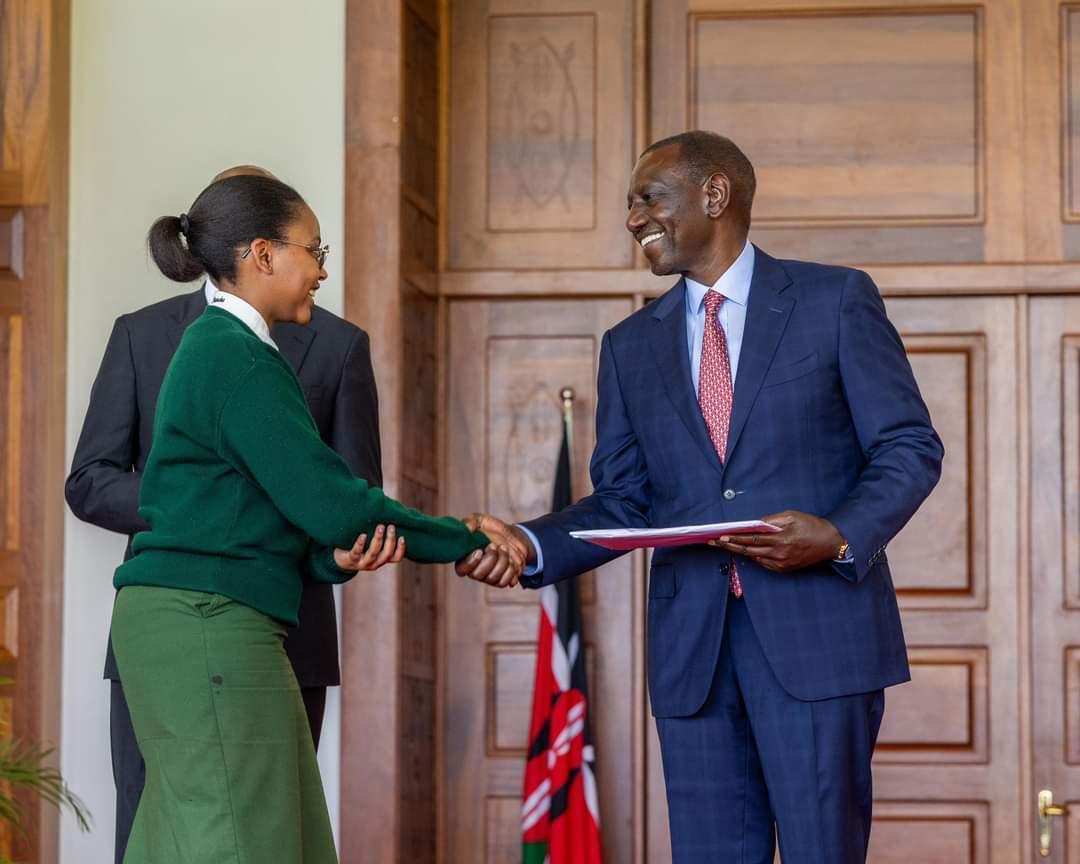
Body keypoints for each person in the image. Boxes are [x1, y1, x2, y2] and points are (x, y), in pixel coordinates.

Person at [462, 131, 943, 863]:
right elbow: (623, 501)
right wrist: (528, 543)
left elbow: (909, 447)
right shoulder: (629, 346)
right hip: (693, 658)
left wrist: (839, 535)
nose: (631, 219)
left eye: (646, 199)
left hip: (820, 641)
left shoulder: (834, 300)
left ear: (714, 195)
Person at [108, 173, 520, 864]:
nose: (322, 270)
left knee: (207, 839)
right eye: (313, 249)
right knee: (248, 845)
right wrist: (466, 537)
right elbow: (335, 502)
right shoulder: (233, 356)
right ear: (263, 255)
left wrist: (334, 559)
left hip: (189, 621)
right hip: (207, 625)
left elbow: (269, 516)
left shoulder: (225, 348)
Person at [65, 165, 390, 864]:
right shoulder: (140, 336)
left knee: (277, 842)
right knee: (150, 837)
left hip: (288, 637)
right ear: (252, 246)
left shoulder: (338, 347)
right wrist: (198, 505)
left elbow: (355, 492)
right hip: (164, 644)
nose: (318, 265)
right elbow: (89, 481)